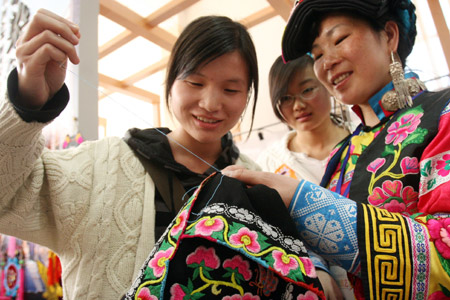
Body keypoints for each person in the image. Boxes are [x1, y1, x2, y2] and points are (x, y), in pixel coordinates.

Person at [0, 10, 262, 299]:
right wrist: (26, 103)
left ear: (247, 95)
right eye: (195, 83)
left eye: (231, 88)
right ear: (170, 82)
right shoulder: (97, 167)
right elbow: (7, 200)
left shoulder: (257, 184)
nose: (211, 103)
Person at [223, 0, 450, 298]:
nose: (326, 63)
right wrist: (320, 270)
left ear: (389, 35)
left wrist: (301, 201)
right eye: (316, 55)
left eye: (339, 39)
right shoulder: (342, 154)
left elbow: (444, 255)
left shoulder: (442, 114)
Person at [257, 54, 350, 299]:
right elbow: (274, 233)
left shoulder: (363, 145)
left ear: (328, 83)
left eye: (307, 90)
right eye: (285, 98)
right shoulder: (270, 164)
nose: (297, 105)